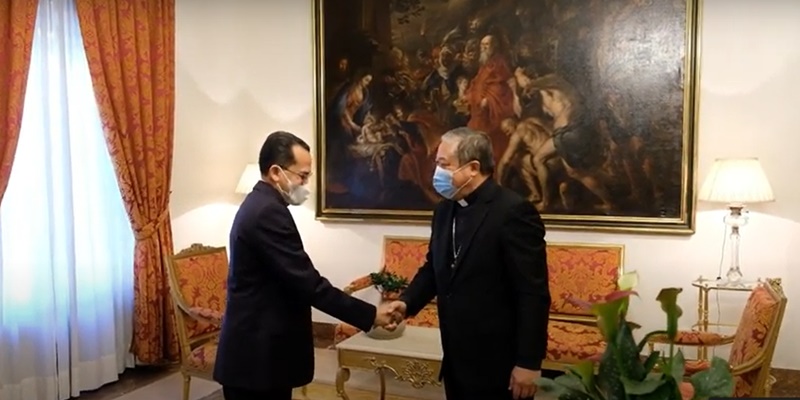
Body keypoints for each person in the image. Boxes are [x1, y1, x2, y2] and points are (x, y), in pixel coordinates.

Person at [213, 131, 398, 400]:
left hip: (261, 356)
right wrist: (370, 315)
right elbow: (309, 285)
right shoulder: (267, 212)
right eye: (302, 175)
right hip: (257, 359)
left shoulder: (264, 204)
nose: (306, 184)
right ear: (276, 172)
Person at [387, 127, 551, 400]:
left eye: (444, 164)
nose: (436, 172)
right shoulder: (445, 209)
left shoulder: (513, 211)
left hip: (499, 360)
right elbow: (434, 267)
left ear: (473, 167)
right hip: (455, 353)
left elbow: (532, 293)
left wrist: (528, 362)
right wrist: (407, 302)